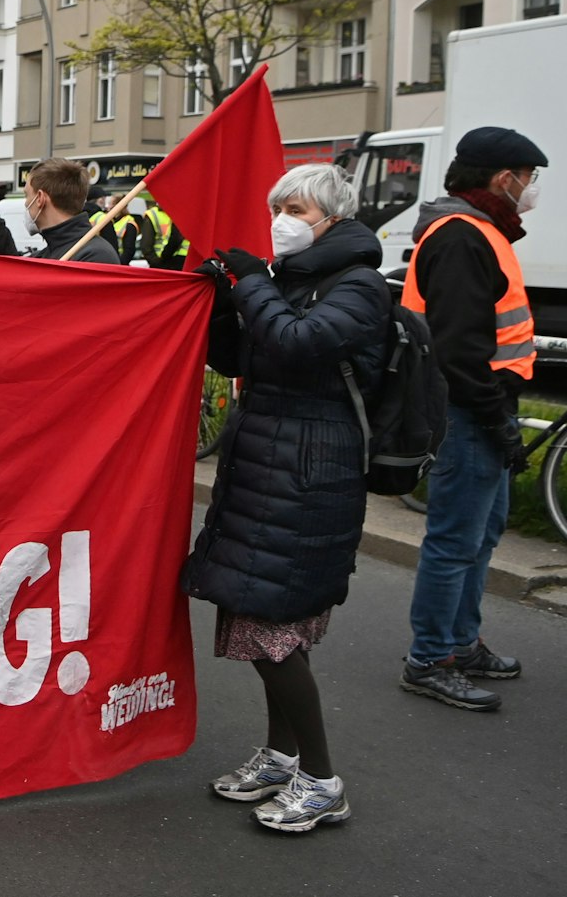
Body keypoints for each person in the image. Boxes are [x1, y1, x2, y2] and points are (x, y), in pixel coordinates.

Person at [185, 163, 390, 833]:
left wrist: (250, 286)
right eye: (277, 206)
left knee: (274, 630)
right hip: (266, 471)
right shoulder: (288, 283)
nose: (281, 219)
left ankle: (322, 779)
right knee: (255, 616)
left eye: (295, 207)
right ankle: (280, 755)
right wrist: (224, 301)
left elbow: (299, 345)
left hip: (310, 478)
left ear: (331, 217)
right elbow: (246, 358)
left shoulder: (358, 286)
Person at [399, 126, 549, 711]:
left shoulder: (478, 230)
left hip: (480, 410)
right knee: (456, 541)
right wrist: (497, 422)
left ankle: (460, 642)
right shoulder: (463, 236)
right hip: (467, 413)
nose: (531, 190)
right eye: (528, 179)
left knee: (480, 537)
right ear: (502, 178)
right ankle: (430, 657)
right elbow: (458, 352)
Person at [22, 158, 121, 265]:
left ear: (40, 198)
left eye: (27, 195)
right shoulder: (42, 257)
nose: (26, 203)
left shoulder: (96, 256)